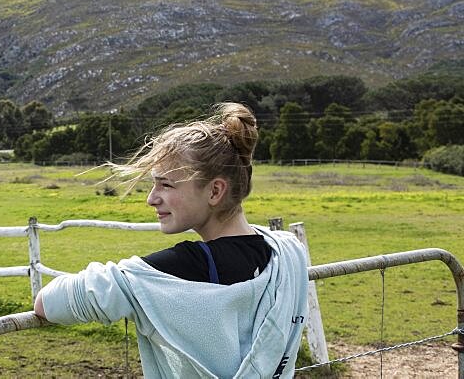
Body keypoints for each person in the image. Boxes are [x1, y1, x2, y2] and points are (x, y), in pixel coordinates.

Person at [34, 103, 309, 378]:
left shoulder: (176, 270)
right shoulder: (286, 252)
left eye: (166, 184)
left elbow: (47, 303)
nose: (151, 198)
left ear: (215, 191)